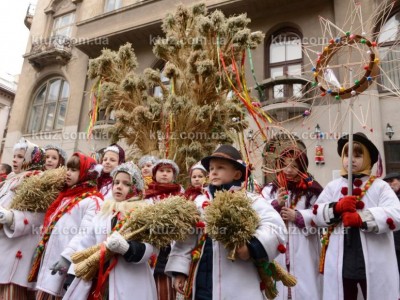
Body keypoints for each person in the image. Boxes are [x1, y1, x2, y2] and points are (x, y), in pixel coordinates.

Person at [165, 144, 286, 300]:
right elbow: (186, 238)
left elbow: (275, 227)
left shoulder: (250, 201)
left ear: (236, 174)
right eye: (211, 168)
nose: (213, 172)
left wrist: (251, 247)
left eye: (220, 167)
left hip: (238, 282)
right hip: (203, 282)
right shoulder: (199, 203)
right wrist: (180, 270)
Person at [312, 132, 400, 300]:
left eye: (358, 155)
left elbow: (396, 214)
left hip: (373, 260)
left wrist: (362, 218)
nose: (350, 160)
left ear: (367, 158)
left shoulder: (380, 186)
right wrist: (336, 208)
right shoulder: (333, 187)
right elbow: (316, 214)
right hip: (342, 257)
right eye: (347, 155)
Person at [63, 161, 158, 300]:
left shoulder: (143, 213)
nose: (119, 186)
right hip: (99, 278)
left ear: (136, 188)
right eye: (116, 182)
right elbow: (86, 243)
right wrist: (74, 273)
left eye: (126, 184)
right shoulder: (104, 212)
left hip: (130, 281)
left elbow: (152, 248)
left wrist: (128, 249)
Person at [32, 153, 104, 299]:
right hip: (51, 263)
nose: (68, 173)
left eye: (74, 170)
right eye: (68, 169)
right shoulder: (67, 196)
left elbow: (85, 234)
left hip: (66, 265)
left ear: (86, 173)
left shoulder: (93, 201)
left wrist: (67, 257)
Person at [261, 146, 323, 300]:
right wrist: (277, 203)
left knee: (304, 287)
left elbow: (320, 214)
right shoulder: (270, 189)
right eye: (286, 165)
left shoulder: (311, 190)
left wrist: (298, 216)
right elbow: (258, 212)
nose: (288, 169)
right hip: (277, 248)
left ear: (301, 168)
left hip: (303, 248)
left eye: (294, 166)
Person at [0, 138, 45, 300]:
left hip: (18, 249)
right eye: (14, 155)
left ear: (31, 159)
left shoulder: (36, 180)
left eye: (20, 157)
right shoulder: (11, 179)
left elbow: (37, 217)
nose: (14, 159)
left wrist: (9, 217)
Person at [144, 159, 182, 300]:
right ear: (154, 174)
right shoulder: (146, 195)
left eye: (168, 171)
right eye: (161, 171)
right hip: (150, 249)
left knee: (165, 292)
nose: (164, 174)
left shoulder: (180, 197)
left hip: (170, 250)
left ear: (174, 175)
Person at [384, 172, 400, 274]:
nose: (389, 185)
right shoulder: (387, 198)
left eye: (392, 181)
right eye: (387, 182)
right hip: (393, 242)